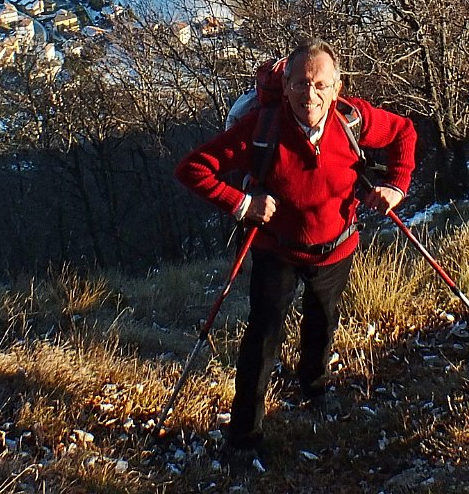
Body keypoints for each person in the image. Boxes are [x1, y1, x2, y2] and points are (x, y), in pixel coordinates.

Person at [175, 38, 416, 459]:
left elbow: (403, 133)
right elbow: (193, 168)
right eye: (302, 84)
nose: (312, 95)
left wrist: (396, 186)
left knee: (323, 321)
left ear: (337, 87)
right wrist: (244, 204)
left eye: (322, 85)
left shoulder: (353, 119)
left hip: (336, 247)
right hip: (277, 251)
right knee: (263, 338)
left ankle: (315, 388)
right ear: (285, 85)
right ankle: (245, 436)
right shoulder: (260, 130)